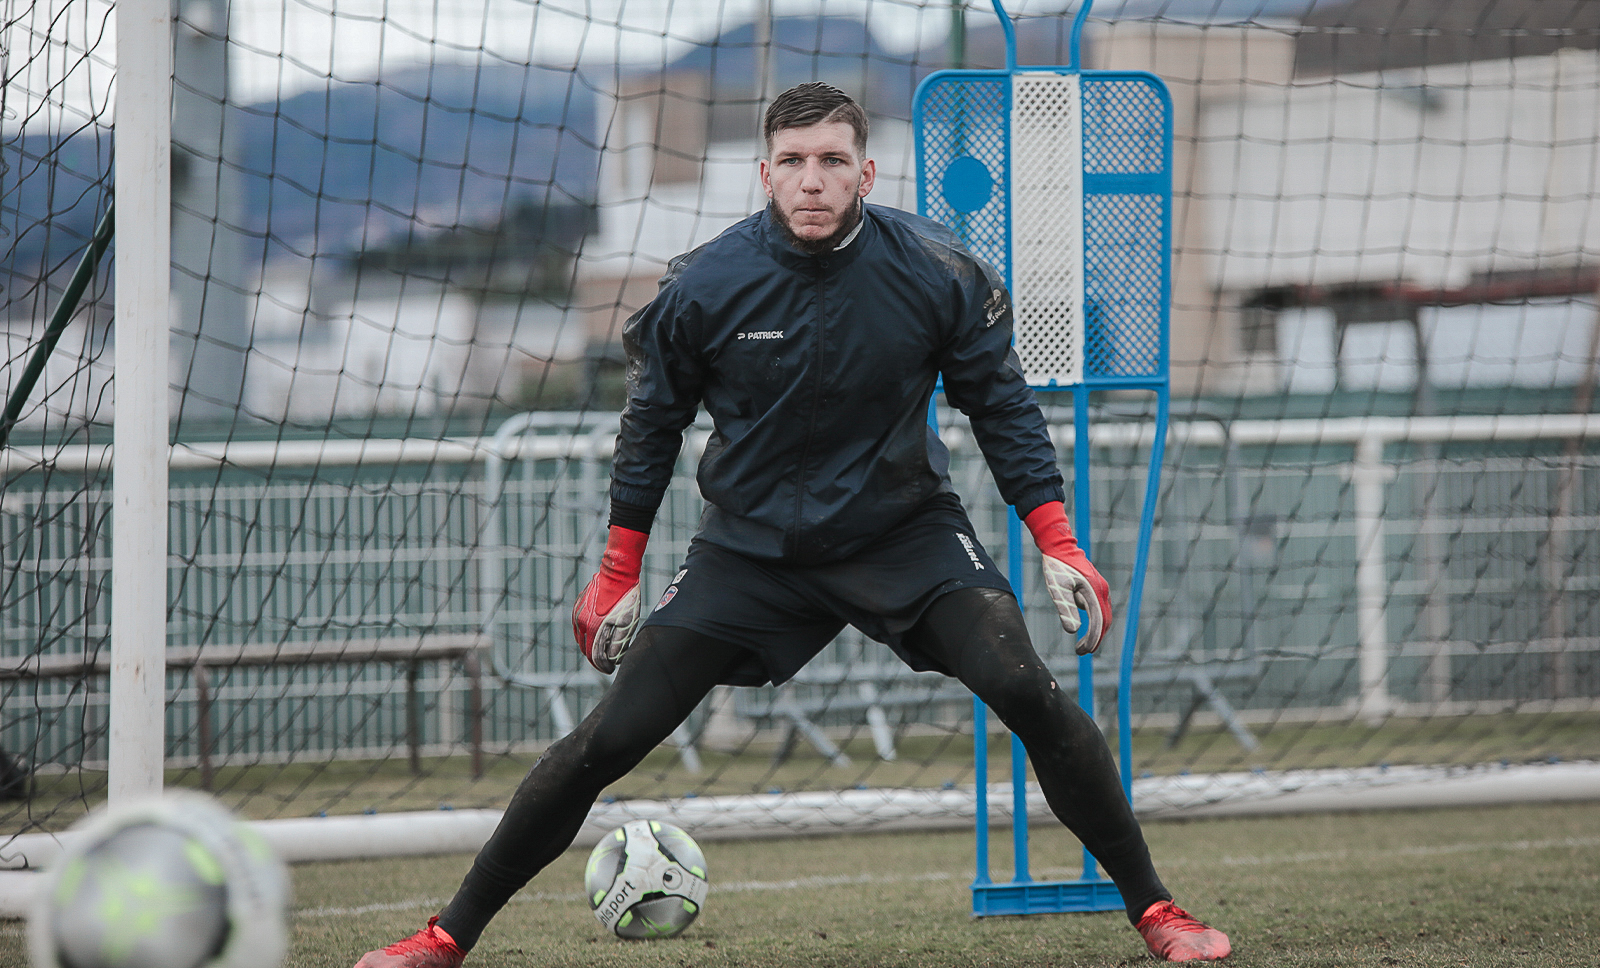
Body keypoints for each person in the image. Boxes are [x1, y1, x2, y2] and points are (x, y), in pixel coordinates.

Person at [355, 82, 1230, 967]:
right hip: (751, 550)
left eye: (834, 162)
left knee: (1029, 691)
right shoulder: (702, 284)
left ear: (866, 173)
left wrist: (1056, 537)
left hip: (904, 534)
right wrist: (619, 567)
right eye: (796, 163)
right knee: (606, 740)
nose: (814, 180)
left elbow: (1000, 408)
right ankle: (444, 937)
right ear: (765, 173)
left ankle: (1159, 912)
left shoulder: (938, 272)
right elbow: (651, 425)